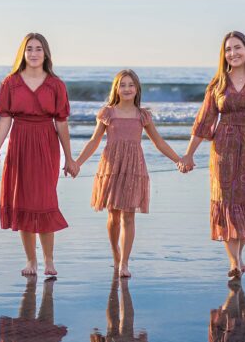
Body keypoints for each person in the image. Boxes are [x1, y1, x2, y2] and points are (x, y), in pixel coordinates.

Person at [181, 31, 245, 278]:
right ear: (223, 54)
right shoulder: (218, 83)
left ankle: (239, 257)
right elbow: (203, 122)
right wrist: (188, 155)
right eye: (228, 49)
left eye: (237, 47)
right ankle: (234, 261)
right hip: (224, 152)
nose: (233, 53)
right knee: (227, 203)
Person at [73, 69, 183, 277]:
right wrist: (77, 162)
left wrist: (179, 160)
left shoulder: (143, 116)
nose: (127, 88)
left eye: (131, 85)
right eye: (122, 85)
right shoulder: (108, 113)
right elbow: (94, 141)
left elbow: (159, 142)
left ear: (137, 89)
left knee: (129, 216)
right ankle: (116, 254)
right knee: (113, 216)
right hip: (111, 167)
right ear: (116, 88)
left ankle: (124, 262)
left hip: (134, 167)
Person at [0, 33, 77, 277]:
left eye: (38, 48)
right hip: (19, 143)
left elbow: (61, 123)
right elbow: (5, 120)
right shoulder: (10, 83)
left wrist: (69, 158)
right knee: (23, 201)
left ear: (46, 53)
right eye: (29, 48)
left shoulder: (56, 84)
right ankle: (31, 261)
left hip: (46, 144)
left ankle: (49, 259)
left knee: (44, 200)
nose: (33, 53)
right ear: (23, 53)